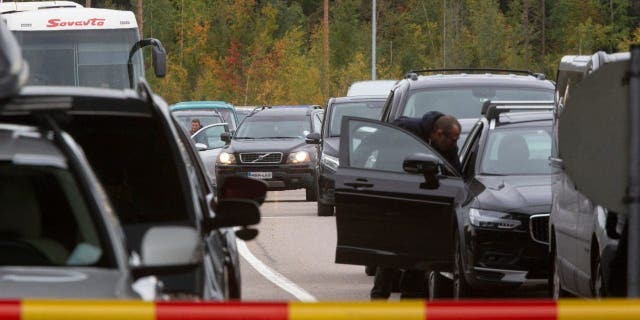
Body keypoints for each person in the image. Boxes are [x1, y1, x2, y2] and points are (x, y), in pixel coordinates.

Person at [370, 111, 462, 300]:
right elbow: (372, 147)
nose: (454, 144)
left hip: (423, 206)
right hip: (395, 200)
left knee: (419, 255)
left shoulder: (448, 147)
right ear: (438, 133)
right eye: (452, 140)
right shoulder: (405, 130)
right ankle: (378, 298)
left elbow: (455, 175)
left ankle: (409, 300)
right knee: (391, 253)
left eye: (456, 140)